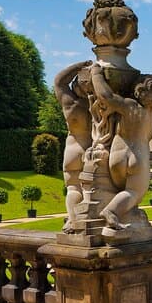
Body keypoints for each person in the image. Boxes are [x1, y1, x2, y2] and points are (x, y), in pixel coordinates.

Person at [89, 63, 152, 234]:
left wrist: (96, 73)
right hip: (138, 156)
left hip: (117, 155)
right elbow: (147, 138)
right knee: (134, 192)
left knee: (120, 189)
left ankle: (120, 209)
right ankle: (111, 211)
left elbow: (106, 96)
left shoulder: (130, 106)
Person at [54, 60, 93, 232]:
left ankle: (72, 220)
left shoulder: (69, 103)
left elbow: (59, 81)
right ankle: (86, 221)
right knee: (88, 189)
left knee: (72, 188)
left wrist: (79, 66)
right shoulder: (96, 105)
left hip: (72, 148)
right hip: (89, 148)